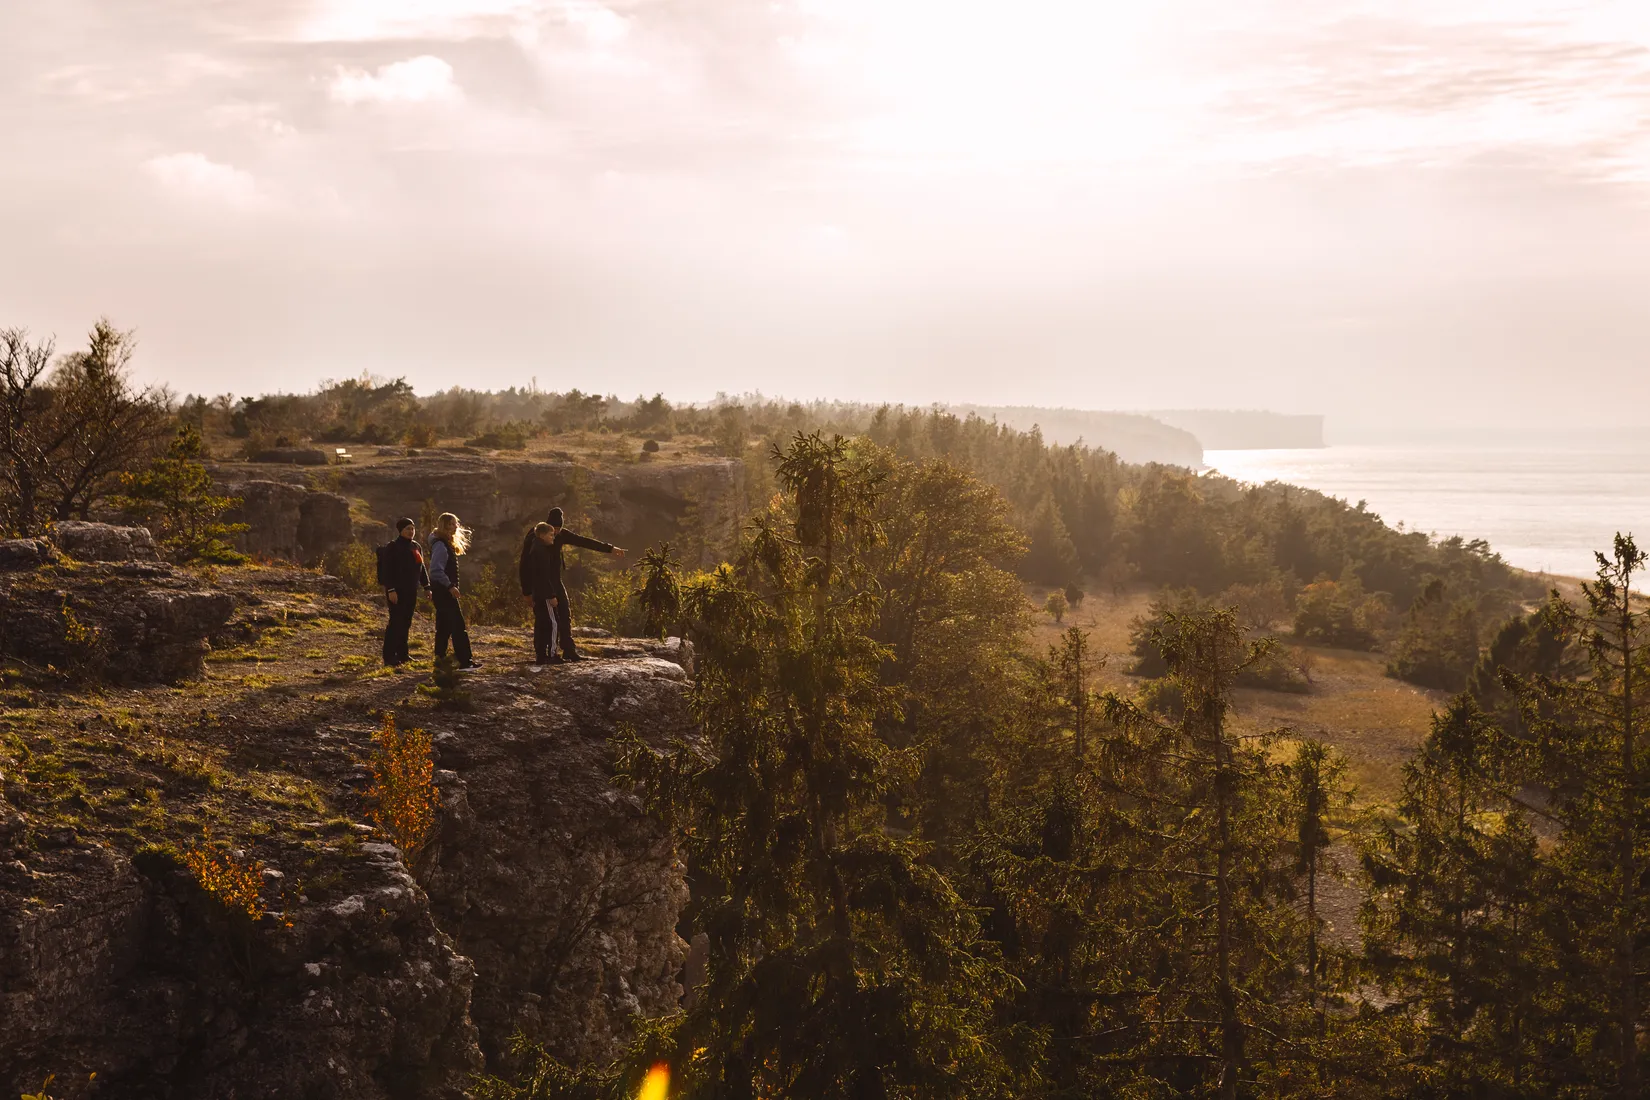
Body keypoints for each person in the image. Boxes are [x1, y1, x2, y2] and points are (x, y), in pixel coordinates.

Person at [517, 506, 627, 662]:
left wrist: (610, 549)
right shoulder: (536, 535)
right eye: (553, 528)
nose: (555, 532)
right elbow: (524, 564)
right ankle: (542, 653)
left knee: (565, 614)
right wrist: (526, 591)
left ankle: (569, 650)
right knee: (544, 618)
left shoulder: (561, 534)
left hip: (555, 580)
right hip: (540, 582)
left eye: (558, 528)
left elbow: (584, 541)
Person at [428, 512, 479, 670]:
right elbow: (435, 570)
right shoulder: (441, 546)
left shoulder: (442, 543)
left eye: (455, 524)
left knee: (443, 627)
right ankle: (465, 662)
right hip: (444, 592)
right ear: (443, 526)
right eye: (450, 524)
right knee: (458, 626)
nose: (455, 527)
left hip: (441, 591)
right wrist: (450, 586)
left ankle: (440, 660)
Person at [378, 517, 429, 667]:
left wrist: (427, 587)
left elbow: (422, 568)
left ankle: (403, 654)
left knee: (406, 622)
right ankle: (389, 656)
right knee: (395, 622)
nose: (411, 531)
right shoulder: (393, 547)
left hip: (411, 591)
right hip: (397, 591)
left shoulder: (416, 546)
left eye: (412, 528)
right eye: (407, 529)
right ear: (400, 530)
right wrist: (391, 589)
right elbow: (387, 570)